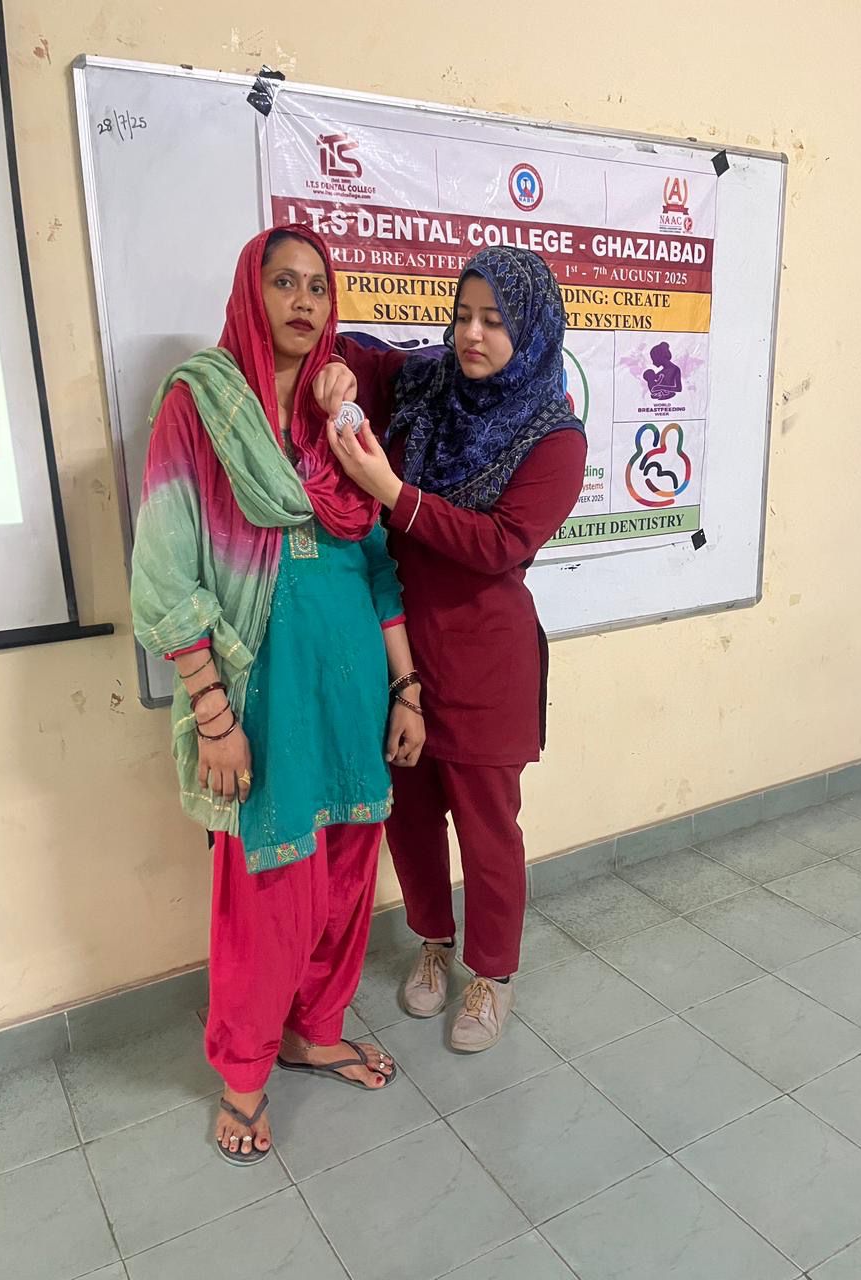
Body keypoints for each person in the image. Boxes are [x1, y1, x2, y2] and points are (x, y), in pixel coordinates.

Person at [130, 224, 425, 1165]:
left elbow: (377, 559)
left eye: (318, 286)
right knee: (266, 887)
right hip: (261, 686)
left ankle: (314, 1029)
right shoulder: (201, 404)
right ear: (249, 294)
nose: (304, 300)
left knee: (346, 870)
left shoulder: (342, 420)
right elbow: (165, 569)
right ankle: (245, 1073)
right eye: (284, 282)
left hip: (354, 681)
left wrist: (407, 687)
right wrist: (213, 715)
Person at [318, 247, 587, 1051]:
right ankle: (432, 941)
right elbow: (354, 354)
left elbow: (498, 544)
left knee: (486, 827)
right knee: (409, 814)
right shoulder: (425, 384)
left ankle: (492, 975)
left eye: (495, 321)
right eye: (464, 315)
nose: (472, 334)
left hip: (485, 659)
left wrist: (391, 494)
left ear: (530, 330)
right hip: (396, 645)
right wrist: (335, 369)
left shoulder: (554, 438)